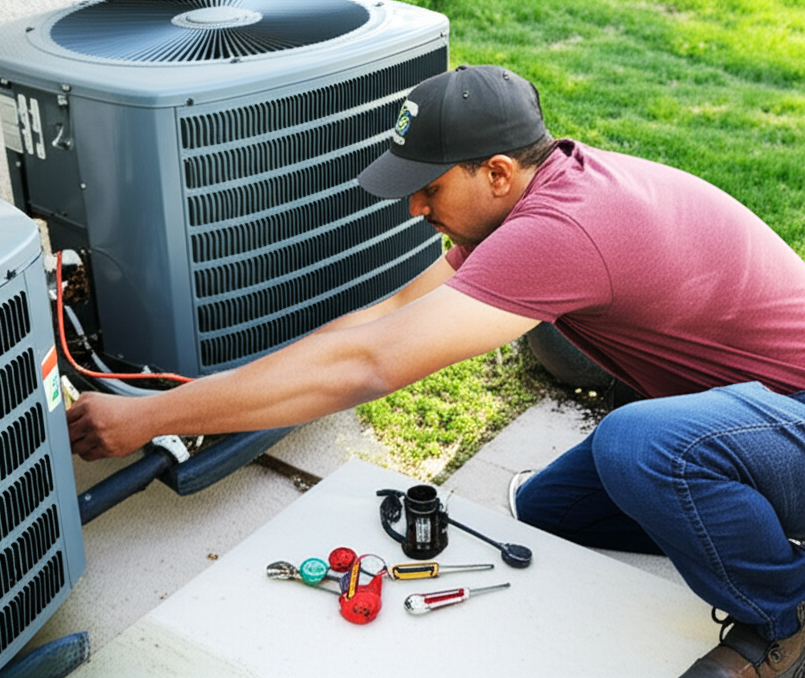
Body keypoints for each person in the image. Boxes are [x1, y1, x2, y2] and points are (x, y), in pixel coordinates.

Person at [67, 64, 805, 677]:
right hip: (758, 411)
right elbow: (382, 318)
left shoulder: (562, 231)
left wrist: (150, 417)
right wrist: (196, 395)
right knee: (554, 511)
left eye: (429, 186)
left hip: (792, 413)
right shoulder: (536, 198)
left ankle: (782, 618)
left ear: (495, 172)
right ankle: (765, 527)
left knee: (642, 447)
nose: (416, 206)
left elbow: (368, 366)